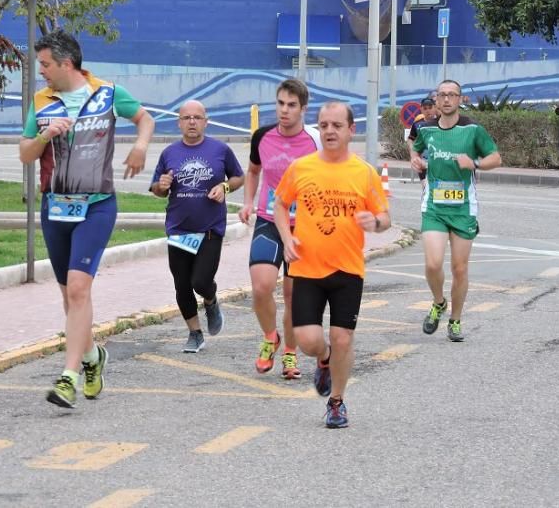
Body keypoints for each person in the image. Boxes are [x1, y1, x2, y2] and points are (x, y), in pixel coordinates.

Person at [19, 29, 155, 409]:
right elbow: (25, 154)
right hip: (56, 208)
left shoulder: (108, 93)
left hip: (96, 206)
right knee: (69, 297)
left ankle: (68, 376)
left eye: (45, 64)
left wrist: (140, 147)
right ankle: (94, 356)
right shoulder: (41, 101)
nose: (41, 71)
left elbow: (145, 119)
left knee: (79, 289)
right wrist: (44, 136)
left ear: (66, 63)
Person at [273, 102, 391, 429]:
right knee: (309, 340)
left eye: (337, 125)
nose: (329, 131)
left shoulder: (364, 173)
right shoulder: (301, 167)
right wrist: (286, 238)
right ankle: (323, 360)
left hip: (348, 270)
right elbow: (280, 205)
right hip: (306, 268)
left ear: (351, 130)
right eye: (324, 125)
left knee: (343, 339)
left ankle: (336, 402)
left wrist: (375, 222)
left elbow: (385, 218)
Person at [238, 79, 320, 378]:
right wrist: (248, 202)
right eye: (281, 103)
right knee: (261, 287)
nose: (284, 110)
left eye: (292, 105)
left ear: (303, 109)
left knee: (292, 295)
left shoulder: (314, 141)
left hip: (304, 227)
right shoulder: (262, 137)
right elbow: (253, 171)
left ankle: (290, 354)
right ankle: (270, 336)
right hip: (269, 219)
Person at [149, 100, 245, 353]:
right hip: (179, 229)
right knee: (182, 284)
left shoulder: (220, 150)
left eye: (197, 117)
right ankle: (195, 333)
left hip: (210, 229)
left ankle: (211, 300)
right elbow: (157, 190)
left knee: (201, 281)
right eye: (187, 118)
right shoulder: (169, 153)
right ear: (179, 122)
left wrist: (224, 187)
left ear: (205, 121)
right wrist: (163, 185)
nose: (192, 122)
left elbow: (238, 177)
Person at [411, 79, 501, 343]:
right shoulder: (426, 129)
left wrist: (473, 162)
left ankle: (456, 320)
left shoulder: (473, 130)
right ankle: (439, 302)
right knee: (432, 263)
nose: (447, 99)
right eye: (443, 95)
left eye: (452, 95)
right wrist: (416, 161)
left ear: (460, 99)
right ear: (437, 101)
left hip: (463, 208)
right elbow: (415, 150)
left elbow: (496, 158)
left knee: (459, 269)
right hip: (434, 207)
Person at [408, 97, 438, 181]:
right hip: (423, 162)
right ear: (421, 109)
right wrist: (413, 153)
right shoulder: (417, 124)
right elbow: (411, 139)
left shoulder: (441, 122)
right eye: (425, 108)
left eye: (430, 108)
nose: (428, 111)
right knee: (425, 187)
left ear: (435, 108)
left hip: (438, 161)